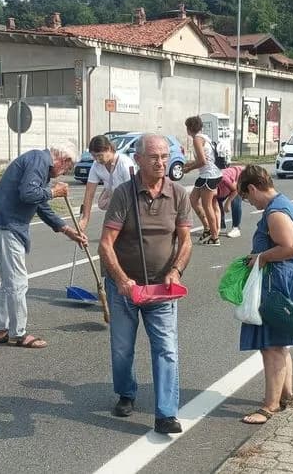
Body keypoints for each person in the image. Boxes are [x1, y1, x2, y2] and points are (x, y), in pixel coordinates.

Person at [98, 134, 193, 434]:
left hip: (162, 289)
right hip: (125, 288)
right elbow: (105, 244)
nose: (161, 162)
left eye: (164, 156)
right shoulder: (124, 194)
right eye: (153, 156)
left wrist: (176, 270)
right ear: (138, 159)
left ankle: (166, 413)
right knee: (123, 348)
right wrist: (121, 279)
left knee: (166, 348)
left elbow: (186, 240)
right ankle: (126, 392)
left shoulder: (178, 194)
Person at [236, 165, 293, 424]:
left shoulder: (275, 212)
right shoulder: (284, 204)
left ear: (252, 188)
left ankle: (270, 406)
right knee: (280, 343)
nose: (249, 202)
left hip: (284, 284)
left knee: (272, 346)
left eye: (246, 197)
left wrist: (259, 257)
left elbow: (292, 246)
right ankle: (286, 395)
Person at [0, 143, 87, 349]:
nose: (63, 174)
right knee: (19, 282)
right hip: (6, 226)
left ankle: (1, 329)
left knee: (9, 282)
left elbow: (40, 205)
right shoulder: (39, 160)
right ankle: (18, 333)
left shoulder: (38, 165)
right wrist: (53, 192)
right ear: (62, 160)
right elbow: (28, 194)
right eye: (66, 169)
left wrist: (68, 230)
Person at [78, 135, 135, 233]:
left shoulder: (124, 163)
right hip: (114, 203)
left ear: (109, 149)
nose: (97, 159)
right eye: (94, 156)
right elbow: (89, 193)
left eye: (100, 155)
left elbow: (133, 193)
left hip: (129, 203)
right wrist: (85, 219)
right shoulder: (96, 166)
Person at [182, 115, 222, 245]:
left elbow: (203, 161)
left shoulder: (197, 140)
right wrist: (190, 164)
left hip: (209, 175)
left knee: (207, 205)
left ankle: (215, 236)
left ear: (189, 128)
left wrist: (189, 169)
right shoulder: (204, 137)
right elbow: (203, 158)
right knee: (193, 200)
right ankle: (207, 227)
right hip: (207, 174)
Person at [215, 164, 243, 238]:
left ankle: (236, 228)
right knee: (216, 201)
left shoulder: (223, 178)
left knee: (235, 200)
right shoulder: (207, 184)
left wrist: (227, 203)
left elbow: (235, 190)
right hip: (225, 188)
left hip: (238, 179)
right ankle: (222, 226)